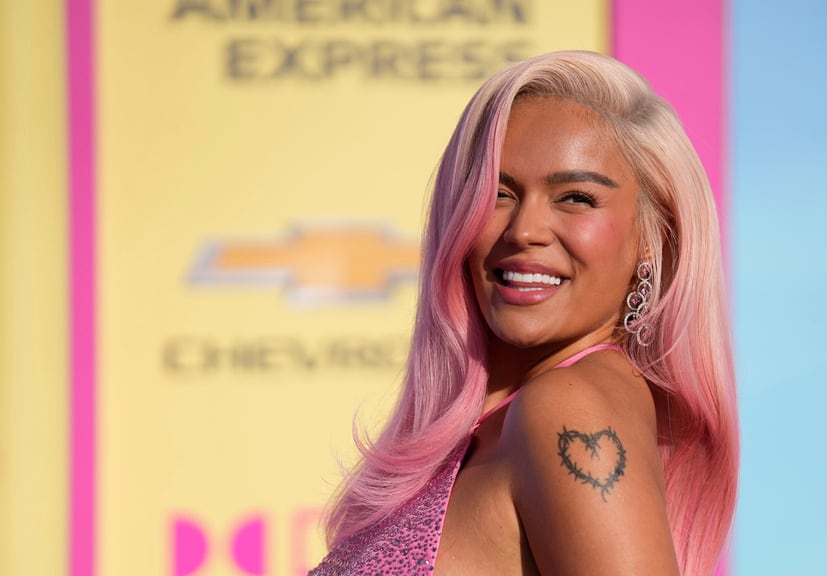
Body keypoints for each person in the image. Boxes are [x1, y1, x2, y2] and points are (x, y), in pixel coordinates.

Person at [309, 50, 738, 576]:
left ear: (655, 237)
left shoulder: (572, 407)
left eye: (576, 197)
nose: (524, 230)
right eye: (498, 193)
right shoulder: (501, 426)